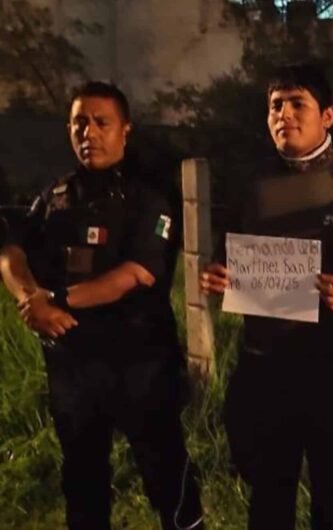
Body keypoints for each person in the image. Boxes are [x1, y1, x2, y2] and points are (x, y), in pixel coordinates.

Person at [199, 64, 333, 530]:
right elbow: (224, 258)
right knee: (269, 494)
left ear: (328, 116)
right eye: (276, 106)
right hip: (265, 366)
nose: (284, 115)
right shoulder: (251, 183)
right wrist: (218, 277)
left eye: (298, 104)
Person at [0, 81, 204, 530]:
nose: (88, 132)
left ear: (125, 129)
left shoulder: (149, 195)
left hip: (140, 365)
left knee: (168, 476)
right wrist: (29, 297)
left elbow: (136, 273)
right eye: (79, 123)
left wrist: (56, 300)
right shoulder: (55, 196)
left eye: (100, 122)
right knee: (82, 482)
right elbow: (11, 249)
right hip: (73, 367)